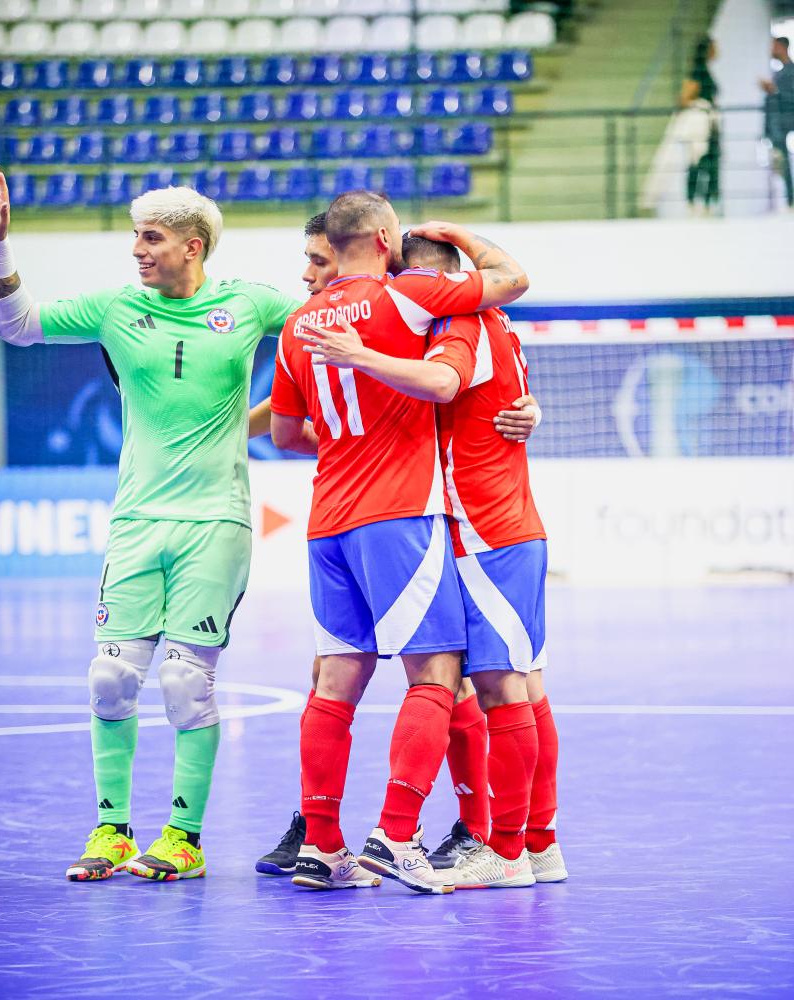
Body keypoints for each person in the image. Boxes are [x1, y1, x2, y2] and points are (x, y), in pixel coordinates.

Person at [0, 167, 300, 881]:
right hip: (135, 520)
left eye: (152, 238)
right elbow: (18, 326)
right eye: (136, 235)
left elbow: (335, 324)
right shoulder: (116, 307)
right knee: (110, 678)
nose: (137, 249)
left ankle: (184, 840)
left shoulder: (249, 304)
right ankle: (112, 831)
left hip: (215, 524)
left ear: (193, 246)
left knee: (186, 684)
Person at [252, 212, 538, 878]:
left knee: (333, 681)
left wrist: (347, 442)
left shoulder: (297, 325)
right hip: (401, 515)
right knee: (440, 675)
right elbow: (510, 280)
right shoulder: (405, 296)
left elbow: (286, 435)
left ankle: (322, 845)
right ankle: (400, 834)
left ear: (337, 247)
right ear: (384, 240)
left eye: (314, 257)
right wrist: (459, 234)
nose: (306, 272)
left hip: (327, 517)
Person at [679, 36, 720, 214]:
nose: (717, 51)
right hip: (700, 123)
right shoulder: (698, 71)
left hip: (710, 122)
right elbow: (684, 98)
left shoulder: (706, 70)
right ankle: (693, 202)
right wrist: (700, 106)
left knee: (711, 162)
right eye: (714, 47)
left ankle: (708, 202)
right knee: (696, 161)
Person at [761, 37, 794, 209]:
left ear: (781, 47)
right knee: (781, 162)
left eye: (773, 46)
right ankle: (790, 199)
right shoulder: (780, 72)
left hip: (786, 121)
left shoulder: (790, 71)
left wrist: (774, 90)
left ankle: (791, 199)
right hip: (778, 125)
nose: (771, 50)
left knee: (783, 161)